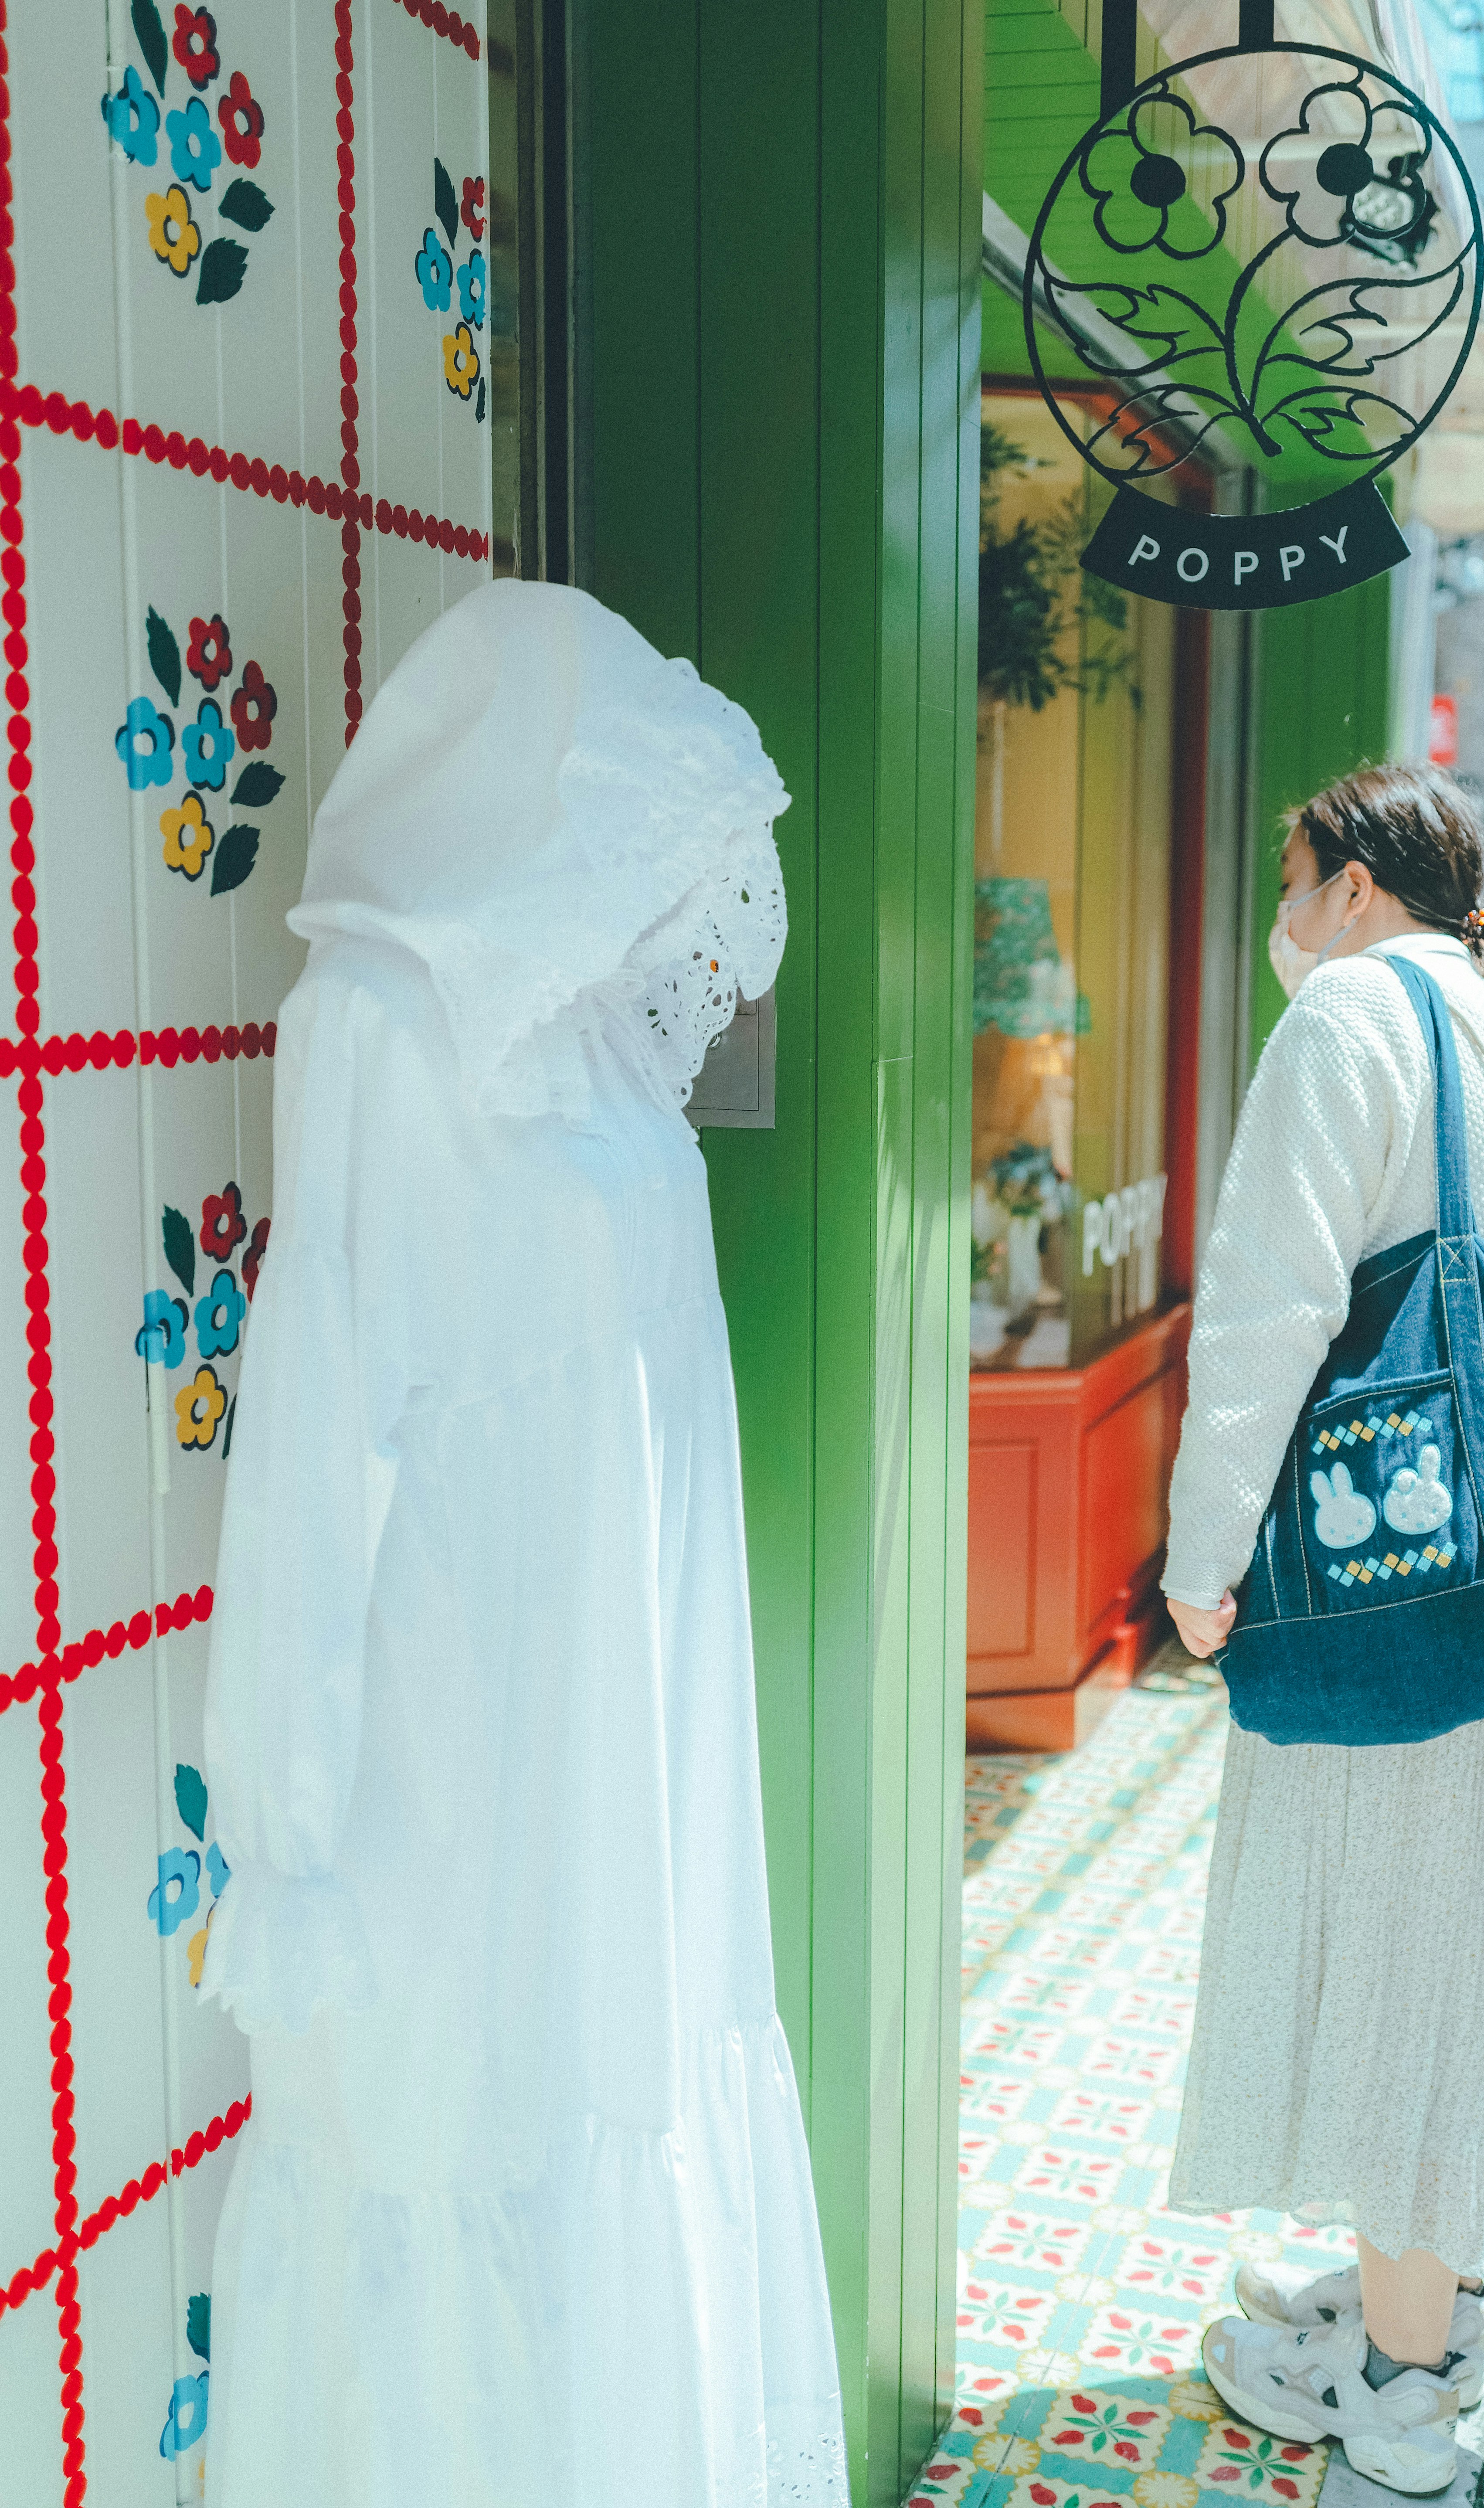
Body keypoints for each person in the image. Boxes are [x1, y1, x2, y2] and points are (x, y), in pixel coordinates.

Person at [197, 581, 848, 2507]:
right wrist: (284, 1827)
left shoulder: (594, 1046)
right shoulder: (378, 1026)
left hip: (627, 1714)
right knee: (458, 2131)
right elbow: (312, 1430)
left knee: (622, 2086)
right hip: (454, 1735)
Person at [1162, 765, 1484, 2497]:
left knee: (1410, 1958)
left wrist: (1204, 1562)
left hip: (1392, 1580)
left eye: (1291, 880)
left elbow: (1274, 1300)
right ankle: (1409, 2296)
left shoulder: (1353, 1014)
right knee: (1457, 1942)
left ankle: (1407, 2406)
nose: (1281, 916)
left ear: (1351, 886)